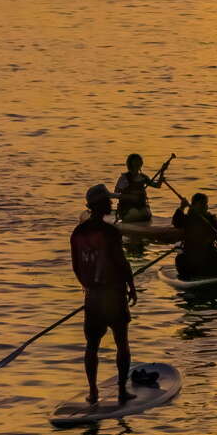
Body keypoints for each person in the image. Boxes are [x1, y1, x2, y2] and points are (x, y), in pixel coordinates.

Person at [71, 185, 137, 405]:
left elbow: (76, 267)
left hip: (93, 297)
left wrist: (88, 287)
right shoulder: (111, 232)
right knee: (122, 342)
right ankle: (122, 390)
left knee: (92, 345)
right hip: (113, 295)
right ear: (100, 205)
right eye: (108, 201)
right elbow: (121, 262)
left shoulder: (78, 233)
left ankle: (93, 392)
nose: (112, 203)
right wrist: (131, 285)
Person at [174, 192, 217, 280]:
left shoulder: (211, 218)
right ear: (194, 205)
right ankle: (189, 277)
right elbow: (176, 223)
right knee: (180, 259)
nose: (205, 206)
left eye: (206, 203)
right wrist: (182, 207)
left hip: (208, 253)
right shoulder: (188, 218)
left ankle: (216, 274)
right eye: (202, 204)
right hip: (191, 254)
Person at [112, 153, 162, 225]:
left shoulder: (143, 177)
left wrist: (162, 173)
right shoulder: (124, 178)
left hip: (141, 207)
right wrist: (130, 196)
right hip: (127, 208)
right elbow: (116, 193)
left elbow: (157, 185)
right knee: (135, 213)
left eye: (139, 161)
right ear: (130, 164)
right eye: (135, 161)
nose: (137, 163)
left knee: (145, 214)